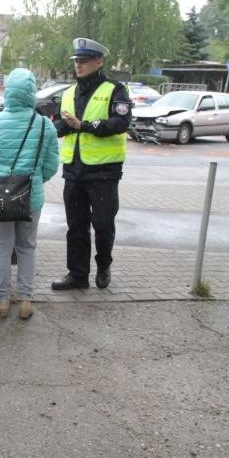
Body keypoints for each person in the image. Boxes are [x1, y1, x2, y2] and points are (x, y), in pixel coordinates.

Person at [0, 68, 59, 320]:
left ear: (8, 92)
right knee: (27, 247)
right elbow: (52, 164)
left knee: (0, 248)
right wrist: (37, 180)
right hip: (31, 196)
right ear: (32, 93)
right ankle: (26, 300)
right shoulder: (45, 125)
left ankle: (2, 299)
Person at [52, 37, 132, 291]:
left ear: (99, 61)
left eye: (84, 61)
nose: (79, 66)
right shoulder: (67, 93)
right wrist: (47, 130)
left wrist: (84, 126)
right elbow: (62, 126)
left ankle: (104, 264)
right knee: (76, 226)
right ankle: (77, 275)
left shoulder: (115, 89)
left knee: (103, 224)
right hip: (74, 170)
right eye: (77, 61)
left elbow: (120, 123)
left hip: (103, 171)